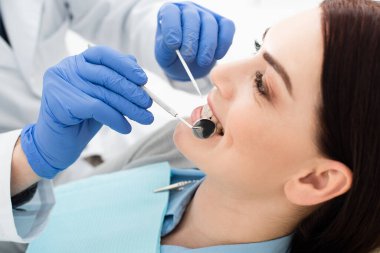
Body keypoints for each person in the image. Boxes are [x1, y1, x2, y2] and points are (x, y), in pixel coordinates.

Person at [7, 0, 380, 252]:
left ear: (314, 180)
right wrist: (23, 165)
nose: (218, 72)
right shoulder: (166, 155)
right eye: (255, 48)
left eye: (263, 85)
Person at [0, 0, 235, 244]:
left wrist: (176, 42)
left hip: (112, 145)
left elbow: (122, 13)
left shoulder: (178, 147)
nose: (222, 76)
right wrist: (24, 159)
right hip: (20, 211)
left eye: (261, 85)